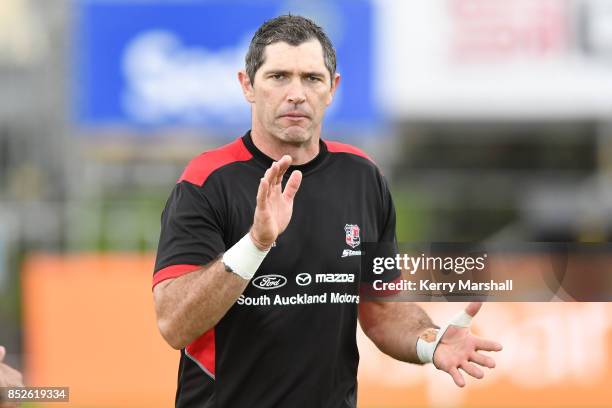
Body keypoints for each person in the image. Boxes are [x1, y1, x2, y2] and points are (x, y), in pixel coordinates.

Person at [153, 14, 502, 408]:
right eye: (279, 76)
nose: (297, 93)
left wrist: (430, 343)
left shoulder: (362, 177)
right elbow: (174, 323)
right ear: (247, 85)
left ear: (332, 88)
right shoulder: (207, 180)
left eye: (312, 78)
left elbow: (382, 310)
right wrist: (256, 244)